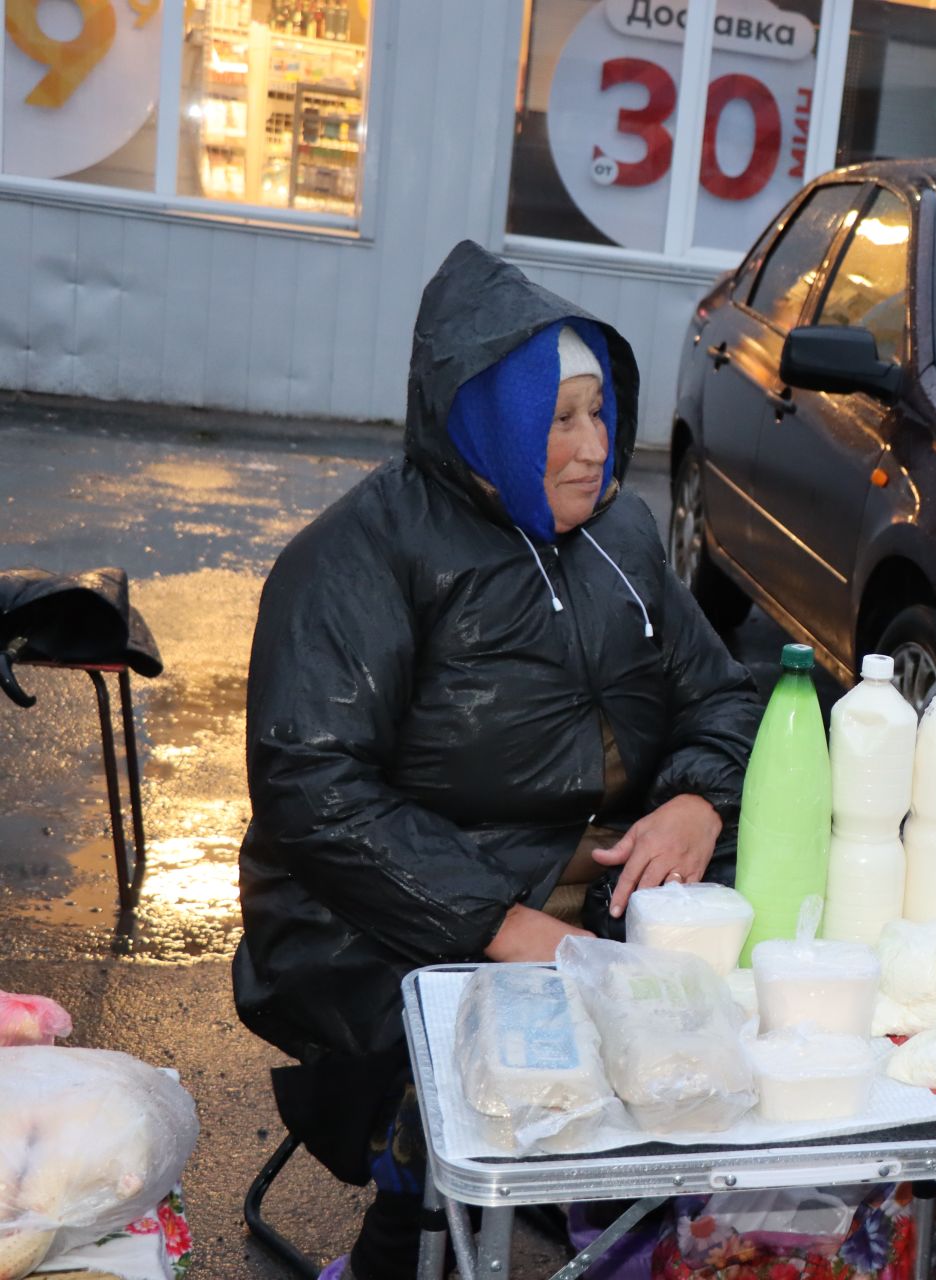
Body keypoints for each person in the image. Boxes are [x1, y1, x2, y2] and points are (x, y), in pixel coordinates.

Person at [231, 241, 761, 1280]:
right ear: (481, 417)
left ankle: (645, 1221)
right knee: (476, 1054)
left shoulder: (625, 536)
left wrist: (699, 796)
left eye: (598, 410)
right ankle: (405, 1238)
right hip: (368, 911)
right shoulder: (356, 556)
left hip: (592, 888)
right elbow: (314, 791)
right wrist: (495, 924)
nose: (589, 446)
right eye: (556, 418)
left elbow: (724, 694)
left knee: (768, 1005)